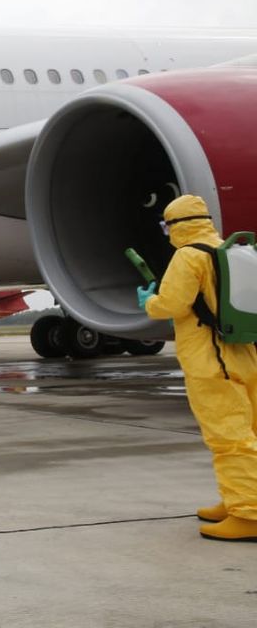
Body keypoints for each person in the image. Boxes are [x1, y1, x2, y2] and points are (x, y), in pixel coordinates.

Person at [139, 193, 257, 541]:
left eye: (166, 225)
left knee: (229, 437)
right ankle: (236, 498)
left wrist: (150, 302)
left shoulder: (188, 257)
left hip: (210, 360)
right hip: (244, 352)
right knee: (249, 430)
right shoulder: (234, 250)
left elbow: (172, 305)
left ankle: (249, 514)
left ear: (175, 226)